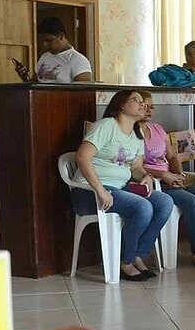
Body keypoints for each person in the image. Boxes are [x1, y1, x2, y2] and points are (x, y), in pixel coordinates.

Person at [72, 90, 174, 281]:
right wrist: (100, 190)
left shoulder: (137, 134)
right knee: (142, 207)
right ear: (121, 105)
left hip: (120, 188)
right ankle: (125, 261)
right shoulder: (106, 126)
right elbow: (82, 157)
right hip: (89, 191)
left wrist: (145, 176)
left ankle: (136, 253)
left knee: (164, 202)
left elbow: (135, 166)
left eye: (143, 102)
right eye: (136, 100)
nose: (142, 104)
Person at [137, 91, 195, 268]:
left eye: (152, 106)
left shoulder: (157, 129)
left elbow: (173, 156)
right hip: (155, 183)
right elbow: (135, 167)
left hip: (171, 178)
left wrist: (179, 175)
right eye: (145, 106)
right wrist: (165, 176)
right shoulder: (131, 133)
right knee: (193, 201)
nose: (150, 110)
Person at [32, 17, 93, 83]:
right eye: (43, 40)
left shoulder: (78, 60)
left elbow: (84, 91)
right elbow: (35, 82)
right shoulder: (44, 57)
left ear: (61, 36)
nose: (45, 44)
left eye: (49, 41)